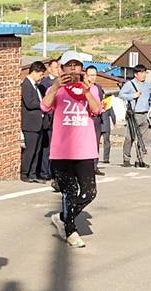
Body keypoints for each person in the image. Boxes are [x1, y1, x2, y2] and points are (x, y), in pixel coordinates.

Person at [41, 58, 104, 247]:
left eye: (77, 66)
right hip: (62, 150)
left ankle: (62, 217)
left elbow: (97, 110)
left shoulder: (92, 89)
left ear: (82, 69)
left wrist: (87, 92)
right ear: (62, 69)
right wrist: (55, 87)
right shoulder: (56, 88)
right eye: (69, 66)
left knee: (89, 192)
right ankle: (71, 231)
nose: (73, 69)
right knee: (69, 191)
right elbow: (44, 106)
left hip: (85, 149)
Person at [120, 64, 151, 167]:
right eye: (141, 72)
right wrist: (133, 95)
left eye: (145, 72)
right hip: (133, 115)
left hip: (145, 115)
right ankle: (126, 159)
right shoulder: (130, 84)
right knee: (129, 138)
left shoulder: (148, 85)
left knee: (143, 139)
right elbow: (121, 94)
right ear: (136, 74)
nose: (144, 74)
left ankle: (139, 160)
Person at [21, 61, 48, 182]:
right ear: (34, 72)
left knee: (36, 150)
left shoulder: (35, 86)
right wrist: (43, 104)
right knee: (30, 150)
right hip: (31, 124)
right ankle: (25, 173)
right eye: (40, 74)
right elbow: (29, 103)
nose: (41, 77)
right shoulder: (26, 84)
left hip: (38, 123)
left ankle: (32, 173)